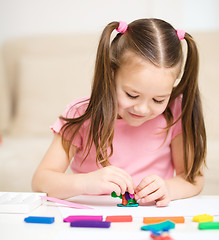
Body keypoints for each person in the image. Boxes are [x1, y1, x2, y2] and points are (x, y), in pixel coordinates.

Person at [32, 18, 207, 207]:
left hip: (149, 222)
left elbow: (192, 179)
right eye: (132, 95)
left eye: (158, 99)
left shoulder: (175, 112)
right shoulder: (81, 114)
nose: (142, 109)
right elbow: (40, 181)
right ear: (111, 72)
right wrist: (84, 183)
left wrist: (169, 188)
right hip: (94, 220)